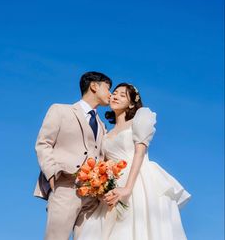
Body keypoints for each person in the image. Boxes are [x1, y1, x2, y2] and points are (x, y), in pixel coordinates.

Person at [75, 83, 191, 240]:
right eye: (114, 93)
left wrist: (128, 188)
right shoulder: (105, 132)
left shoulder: (140, 119)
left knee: (136, 226)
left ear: (131, 103)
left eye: (122, 95)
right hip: (114, 182)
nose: (115, 96)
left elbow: (139, 153)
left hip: (138, 180)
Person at [33, 71, 112, 240]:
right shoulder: (60, 110)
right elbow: (43, 143)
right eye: (108, 88)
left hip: (92, 197)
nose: (110, 94)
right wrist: (52, 173)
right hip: (66, 187)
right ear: (94, 86)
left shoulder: (102, 125)